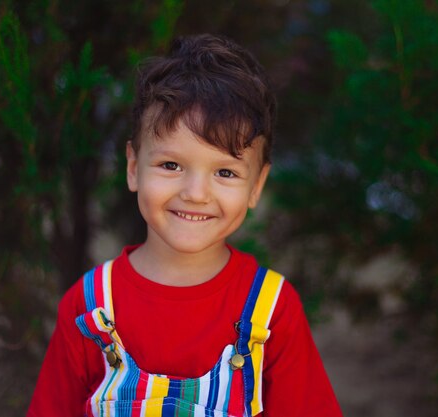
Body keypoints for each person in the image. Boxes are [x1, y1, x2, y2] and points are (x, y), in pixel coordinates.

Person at [27, 34, 342, 417]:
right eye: (171, 165)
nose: (195, 193)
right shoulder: (90, 305)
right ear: (132, 167)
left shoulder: (271, 310)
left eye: (225, 172)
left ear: (256, 186)